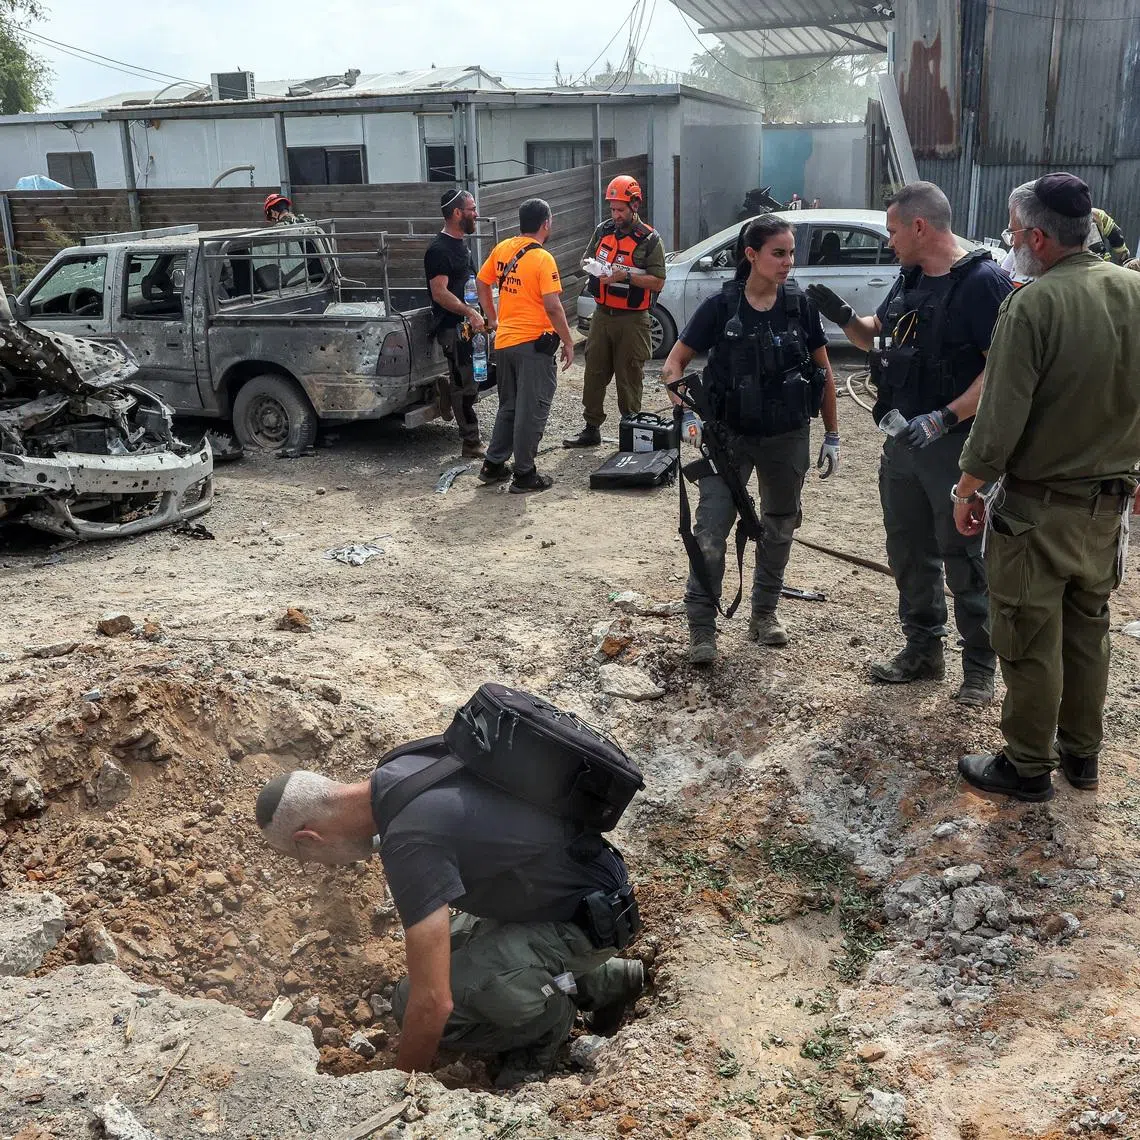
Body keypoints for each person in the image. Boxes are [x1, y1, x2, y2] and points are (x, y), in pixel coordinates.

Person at [253, 763, 644, 1087]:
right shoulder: (398, 773)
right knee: (442, 960)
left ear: (309, 838)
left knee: (418, 1003)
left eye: (304, 858)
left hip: (587, 921)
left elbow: (433, 1004)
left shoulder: (409, 842)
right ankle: (603, 979)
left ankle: (550, 1020)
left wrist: (397, 1088)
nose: (318, 866)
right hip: (567, 887)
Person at [951, 172, 1140, 802]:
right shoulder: (1134, 291)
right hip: (1107, 509)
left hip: (1038, 510)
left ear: (1037, 237)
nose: (1011, 243)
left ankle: (1028, 765)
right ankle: (1082, 757)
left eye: (1013, 233)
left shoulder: (1032, 303)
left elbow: (999, 419)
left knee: (1027, 633)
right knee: (1087, 632)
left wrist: (967, 489)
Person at [806, 181, 1013, 706]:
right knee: (908, 549)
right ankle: (922, 651)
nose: (890, 240)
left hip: (955, 448)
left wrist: (945, 418)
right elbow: (876, 336)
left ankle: (980, 667)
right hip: (901, 442)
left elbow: (1001, 369)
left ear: (920, 226)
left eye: (894, 230)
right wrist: (844, 316)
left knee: (964, 557)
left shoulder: (983, 283)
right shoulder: (911, 277)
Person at [660, 215, 841, 664]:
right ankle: (702, 628)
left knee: (780, 526)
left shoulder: (800, 307)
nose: (787, 262)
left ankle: (764, 614)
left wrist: (833, 434)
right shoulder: (720, 307)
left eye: (791, 253)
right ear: (751, 255)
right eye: (778, 253)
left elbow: (824, 373)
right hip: (728, 437)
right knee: (710, 531)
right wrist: (687, 413)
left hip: (787, 435)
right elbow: (673, 365)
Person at [474, 198, 574, 494]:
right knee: (531, 410)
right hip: (533, 346)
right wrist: (568, 341)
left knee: (509, 406)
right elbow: (552, 306)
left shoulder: (503, 248)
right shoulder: (543, 259)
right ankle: (524, 474)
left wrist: (493, 319)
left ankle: (493, 465)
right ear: (546, 224)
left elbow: (481, 282)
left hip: (505, 343)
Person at [563, 176, 667, 448]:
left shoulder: (650, 239)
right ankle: (591, 429)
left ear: (635, 205)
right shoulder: (603, 230)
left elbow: (658, 281)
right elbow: (584, 260)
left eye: (620, 209)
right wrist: (593, 267)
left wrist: (626, 276)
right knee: (594, 372)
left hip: (633, 320)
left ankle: (631, 432)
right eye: (612, 209)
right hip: (602, 314)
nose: (615, 215)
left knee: (629, 376)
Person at [424, 188, 486, 459]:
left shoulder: (462, 244)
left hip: (471, 326)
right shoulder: (438, 250)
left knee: (478, 378)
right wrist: (469, 312)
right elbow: (439, 293)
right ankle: (470, 442)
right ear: (458, 213)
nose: (476, 214)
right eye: (472, 209)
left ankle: (448, 392)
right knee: (466, 385)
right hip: (454, 329)